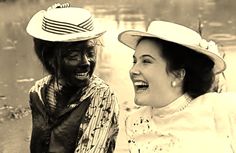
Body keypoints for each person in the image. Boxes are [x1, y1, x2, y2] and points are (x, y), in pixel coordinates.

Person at [118, 21, 236, 153]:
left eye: (146, 61)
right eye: (135, 61)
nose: (133, 70)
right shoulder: (134, 123)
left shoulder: (221, 108)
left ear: (178, 75)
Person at [26, 3, 119, 153]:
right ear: (50, 59)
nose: (86, 62)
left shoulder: (101, 96)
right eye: (73, 56)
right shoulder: (37, 93)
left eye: (90, 52)